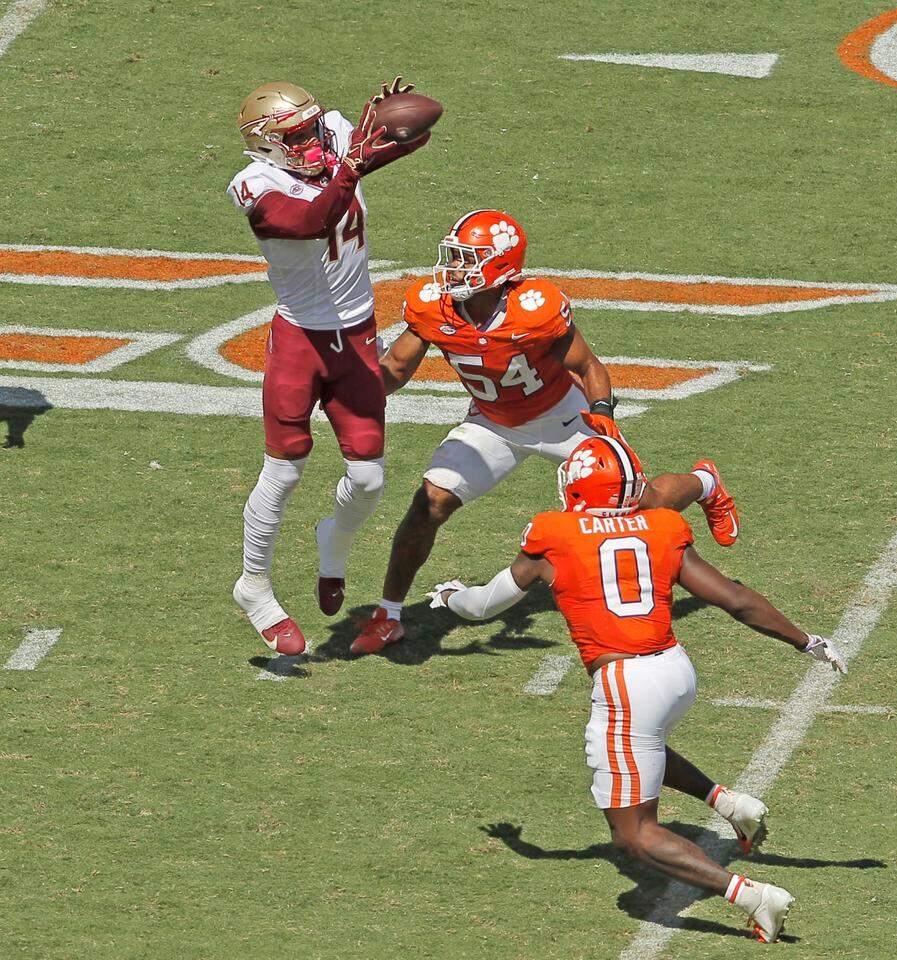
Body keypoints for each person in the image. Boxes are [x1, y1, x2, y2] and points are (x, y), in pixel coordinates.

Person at [428, 435, 848, 942]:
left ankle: (754, 895)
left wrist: (451, 596)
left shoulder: (553, 532)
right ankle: (730, 804)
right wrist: (806, 641)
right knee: (642, 745)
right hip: (675, 670)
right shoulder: (662, 524)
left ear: (578, 487)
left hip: (626, 682)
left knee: (632, 835)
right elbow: (734, 598)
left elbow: (482, 607)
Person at [352, 209, 739, 654]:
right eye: (454, 256)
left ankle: (706, 483)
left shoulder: (533, 307)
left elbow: (588, 365)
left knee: (642, 504)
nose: (453, 268)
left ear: (499, 266)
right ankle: (389, 615)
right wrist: (353, 390)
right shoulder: (432, 303)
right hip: (492, 422)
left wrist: (601, 412)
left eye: (466, 258)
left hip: (563, 418)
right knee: (430, 502)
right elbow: (397, 368)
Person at [227, 78, 429, 654]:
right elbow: (305, 221)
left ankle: (332, 545)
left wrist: (389, 128)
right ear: (266, 143)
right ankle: (254, 584)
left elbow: (421, 128)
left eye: (315, 127)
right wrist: (353, 165)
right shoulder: (254, 182)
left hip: (358, 335)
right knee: (286, 467)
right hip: (300, 338)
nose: (316, 140)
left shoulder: (336, 139)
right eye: (297, 135)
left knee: (368, 478)